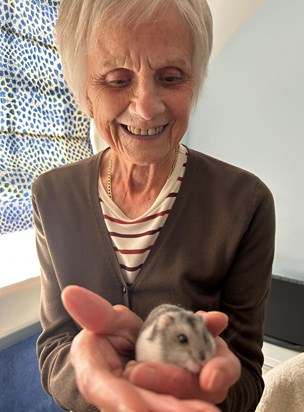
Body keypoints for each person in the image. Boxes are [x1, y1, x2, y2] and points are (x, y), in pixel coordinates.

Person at [32, 0, 276, 411]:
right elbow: (55, 343)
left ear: (194, 82)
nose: (146, 106)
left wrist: (196, 393)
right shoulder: (51, 196)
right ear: (85, 95)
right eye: (116, 79)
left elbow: (248, 374)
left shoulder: (246, 203)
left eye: (170, 77)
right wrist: (104, 386)